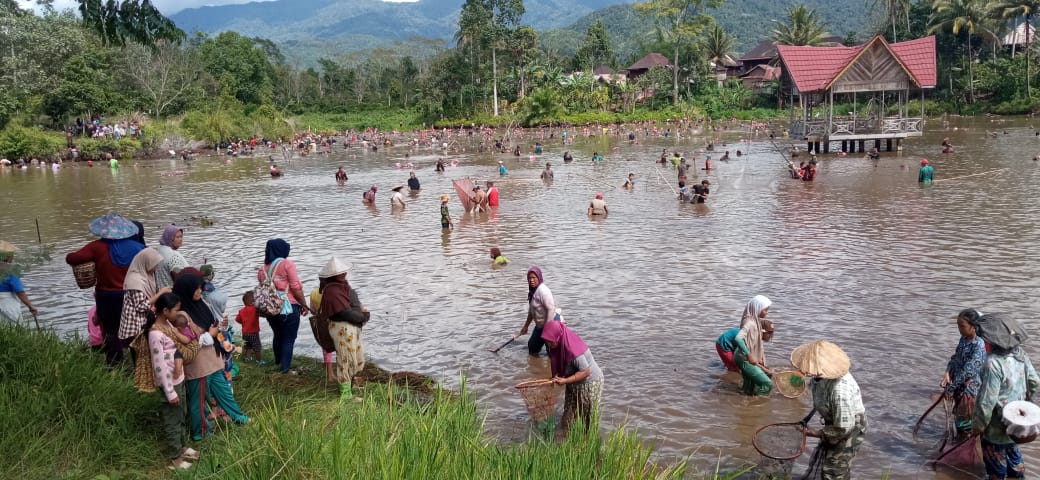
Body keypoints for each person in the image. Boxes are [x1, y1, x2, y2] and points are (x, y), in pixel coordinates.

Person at [173, 273, 249, 440]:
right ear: (187, 290)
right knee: (198, 401)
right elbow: (189, 341)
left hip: (213, 360)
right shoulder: (181, 316)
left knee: (224, 392)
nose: (200, 291)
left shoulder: (202, 304)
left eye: (201, 287)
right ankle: (200, 433)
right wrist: (211, 333)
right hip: (198, 366)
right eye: (197, 288)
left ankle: (239, 418)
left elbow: (211, 327)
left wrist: (221, 327)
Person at [66, 213, 144, 365]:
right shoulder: (138, 248)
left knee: (111, 332)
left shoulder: (96, 247)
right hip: (132, 295)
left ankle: (114, 367)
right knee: (136, 330)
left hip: (107, 297)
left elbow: (72, 258)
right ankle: (139, 367)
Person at [972, 313, 1040, 479]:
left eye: (984, 340)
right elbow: (1035, 383)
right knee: (1014, 460)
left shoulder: (993, 363)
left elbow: (986, 403)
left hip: (996, 426)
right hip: (1017, 421)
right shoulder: (1021, 356)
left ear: (991, 341)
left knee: (996, 469)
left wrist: (977, 427)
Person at [793, 340, 866, 479]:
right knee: (833, 464)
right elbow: (820, 395)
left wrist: (814, 433)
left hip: (850, 428)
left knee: (833, 471)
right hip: (835, 422)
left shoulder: (840, 392)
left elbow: (844, 428)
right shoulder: (820, 376)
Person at [142, 292, 199, 470]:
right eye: (176, 310)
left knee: (181, 414)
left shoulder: (166, 324)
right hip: (170, 384)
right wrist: (169, 391)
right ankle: (175, 458)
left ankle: (181, 447)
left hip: (178, 378)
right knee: (172, 420)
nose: (178, 314)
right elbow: (159, 366)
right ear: (165, 311)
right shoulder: (155, 335)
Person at [318, 256, 368, 399]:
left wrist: (362, 315)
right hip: (342, 329)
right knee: (346, 359)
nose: (344, 275)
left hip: (350, 328)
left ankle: (350, 386)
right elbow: (343, 312)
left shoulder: (341, 287)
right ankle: (345, 394)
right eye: (341, 273)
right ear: (335, 276)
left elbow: (350, 306)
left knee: (355, 357)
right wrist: (362, 317)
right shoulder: (332, 291)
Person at [258, 239, 310, 374]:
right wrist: (304, 304)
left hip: (270, 309)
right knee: (288, 338)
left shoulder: (262, 269)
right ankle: (286, 369)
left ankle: (279, 363)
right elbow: (296, 287)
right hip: (288, 307)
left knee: (278, 335)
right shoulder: (287, 264)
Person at [542, 320, 604, 432]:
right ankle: (567, 437)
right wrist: (559, 378)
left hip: (589, 383)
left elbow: (586, 371)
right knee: (569, 414)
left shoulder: (571, 349)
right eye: (547, 342)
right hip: (572, 381)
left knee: (588, 417)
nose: (549, 345)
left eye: (550, 342)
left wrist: (565, 381)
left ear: (558, 337)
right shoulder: (558, 345)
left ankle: (588, 440)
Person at [940, 308, 986, 436]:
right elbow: (955, 358)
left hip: (969, 391)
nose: (959, 329)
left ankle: (966, 447)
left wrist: (951, 388)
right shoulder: (963, 339)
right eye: (958, 325)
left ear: (973, 327)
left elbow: (968, 371)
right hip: (957, 387)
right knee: (959, 422)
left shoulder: (978, 345)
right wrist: (947, 373)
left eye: (962, 326)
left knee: (966, 426)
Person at [118, 248, 170, 343]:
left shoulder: (147, 275)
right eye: (154, 264)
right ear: (146, 263)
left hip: (144, 321)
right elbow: (141, 306)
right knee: (139, 354)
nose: (156, 267)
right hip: (135, 325)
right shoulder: (135, 281)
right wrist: (160, 293)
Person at [735, 295, 773, 396]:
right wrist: (749, 355)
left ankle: (743, 401)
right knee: (767, 384)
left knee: (749, 387)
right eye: (765, 310)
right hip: (744, 357)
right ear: (757, 308)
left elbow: (753, 336)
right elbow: (738, 338)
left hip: (740, 355)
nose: (767, 312)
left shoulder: (754, 320)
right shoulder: (750, 322)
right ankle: (755, 406)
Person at [519, 266, 557, 356]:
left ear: (539, 277)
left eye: (533, 277)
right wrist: (526, 326)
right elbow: (531, 312)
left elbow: (551, 309)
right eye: (529, 278)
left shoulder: (543, 291)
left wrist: (548, 329)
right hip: (540, 326)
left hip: (550, 324)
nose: (531, 280)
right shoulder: (532, 292)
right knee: (532, 347)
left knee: (552, 352)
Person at [0, 241, 36, 324]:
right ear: (7, 257)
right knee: (13, 326)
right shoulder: (11, 271)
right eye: (11, 255)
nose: (12, 257)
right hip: (7, 303)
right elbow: (20, 292)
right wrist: (30, 306)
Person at [235, 291, 263, 364]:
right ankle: (259, 361)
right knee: (257, 347)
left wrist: (244, 323)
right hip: (253, 332)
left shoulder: (241, 311)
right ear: (253, 301)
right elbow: (262, 313)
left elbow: (237, 319)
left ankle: (248, 358)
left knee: (248, 346)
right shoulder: (255, 309)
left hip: (245, 333)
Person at [156, 225, 187, 291]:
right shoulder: (173, 256)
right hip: (172, 294)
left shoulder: (159, 249)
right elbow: (179, 280)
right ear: (170, 238)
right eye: (177, 237)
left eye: (181, 236)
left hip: (161, 291)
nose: (181, 239)